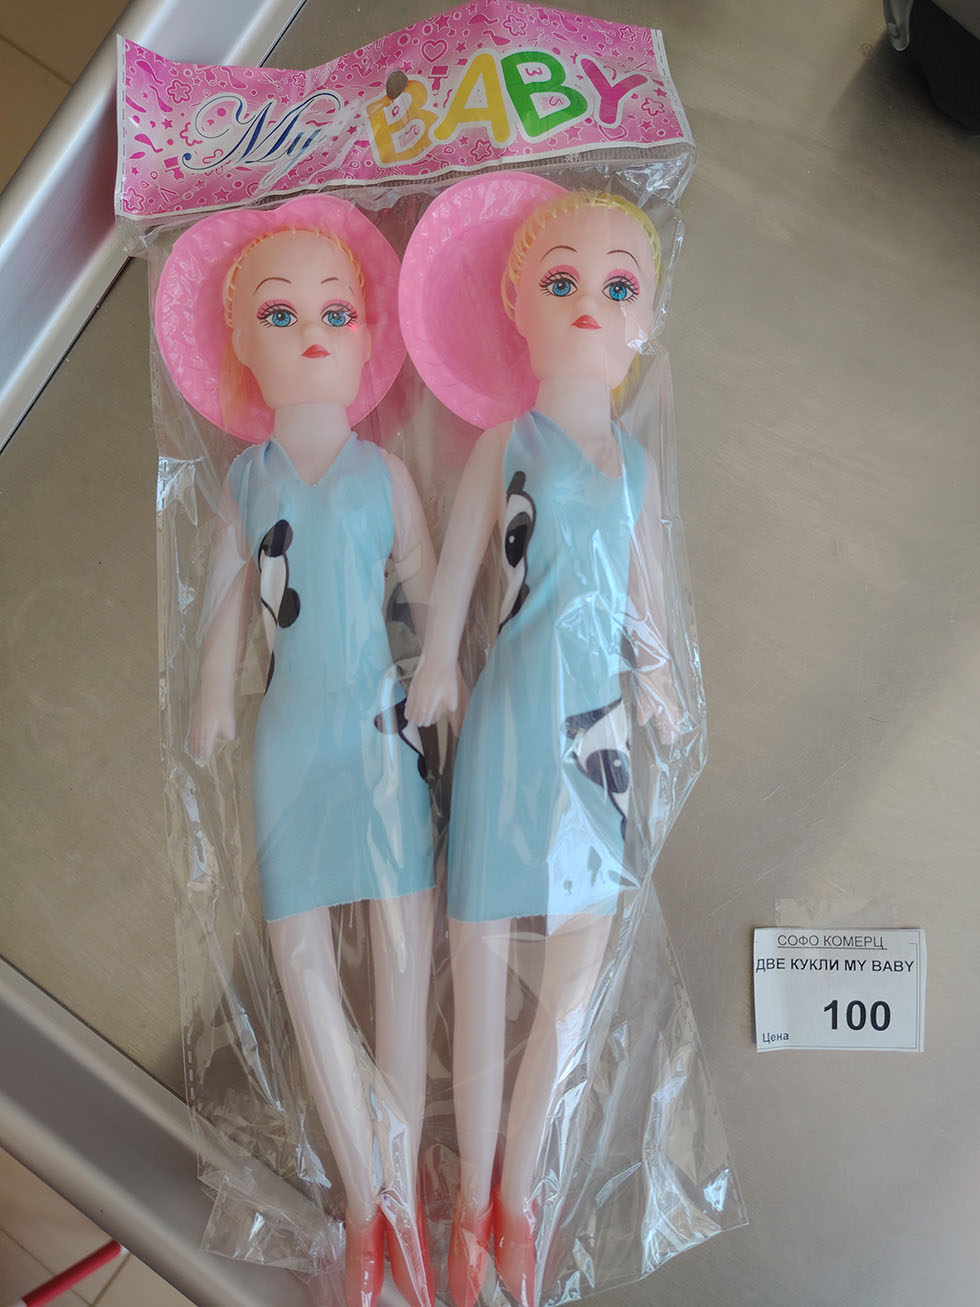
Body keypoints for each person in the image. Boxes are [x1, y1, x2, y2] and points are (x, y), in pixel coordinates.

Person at [402, 174, 685, 1307]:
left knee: (572, 976)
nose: (590, 305)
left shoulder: (636, 468)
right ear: (517, 305)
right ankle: (472, 1199)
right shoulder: (503, 441)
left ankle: (516, 1196)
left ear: (645, 319)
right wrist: (435, 660)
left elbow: (645, 598)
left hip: (600, 732)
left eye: (618, 287)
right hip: (512, 712)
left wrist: (659, 683)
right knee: (478, 961)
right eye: (562, 282)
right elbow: (462, 567)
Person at [155, 195, 436, 1307]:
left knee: (405, 959)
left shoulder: (384, 475)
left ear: (369, 337)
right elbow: (226, 599)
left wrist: (447, 679)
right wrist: (212, 692)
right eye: (280, 314)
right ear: (239, 345)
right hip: (287, 742)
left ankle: (400, 1195)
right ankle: (366, 1198)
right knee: (301, 960)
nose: (312, 330)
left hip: (380, 734)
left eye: (334, 311)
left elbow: (422, 589)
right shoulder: (246, 480)